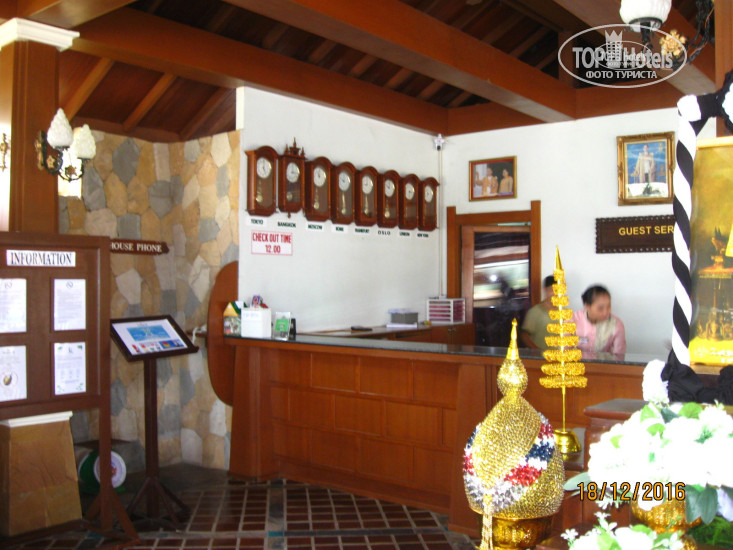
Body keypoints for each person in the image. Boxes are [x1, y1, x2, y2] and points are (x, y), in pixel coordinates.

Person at [572, 285, 626, 355]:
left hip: (604, 361)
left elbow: (619, 355)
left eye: (608, 306)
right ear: (587, 306)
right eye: (600, 308)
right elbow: (564, 350)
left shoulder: (616, 324)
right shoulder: (573, 320)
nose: (605, 312)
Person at [520, 275, 555, 350]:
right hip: (541, 356)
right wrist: (536, 351)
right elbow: (525, 335)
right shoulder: (535, 312)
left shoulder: (564, 312)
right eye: (552, 290)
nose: (556, 293)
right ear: (545, 290)